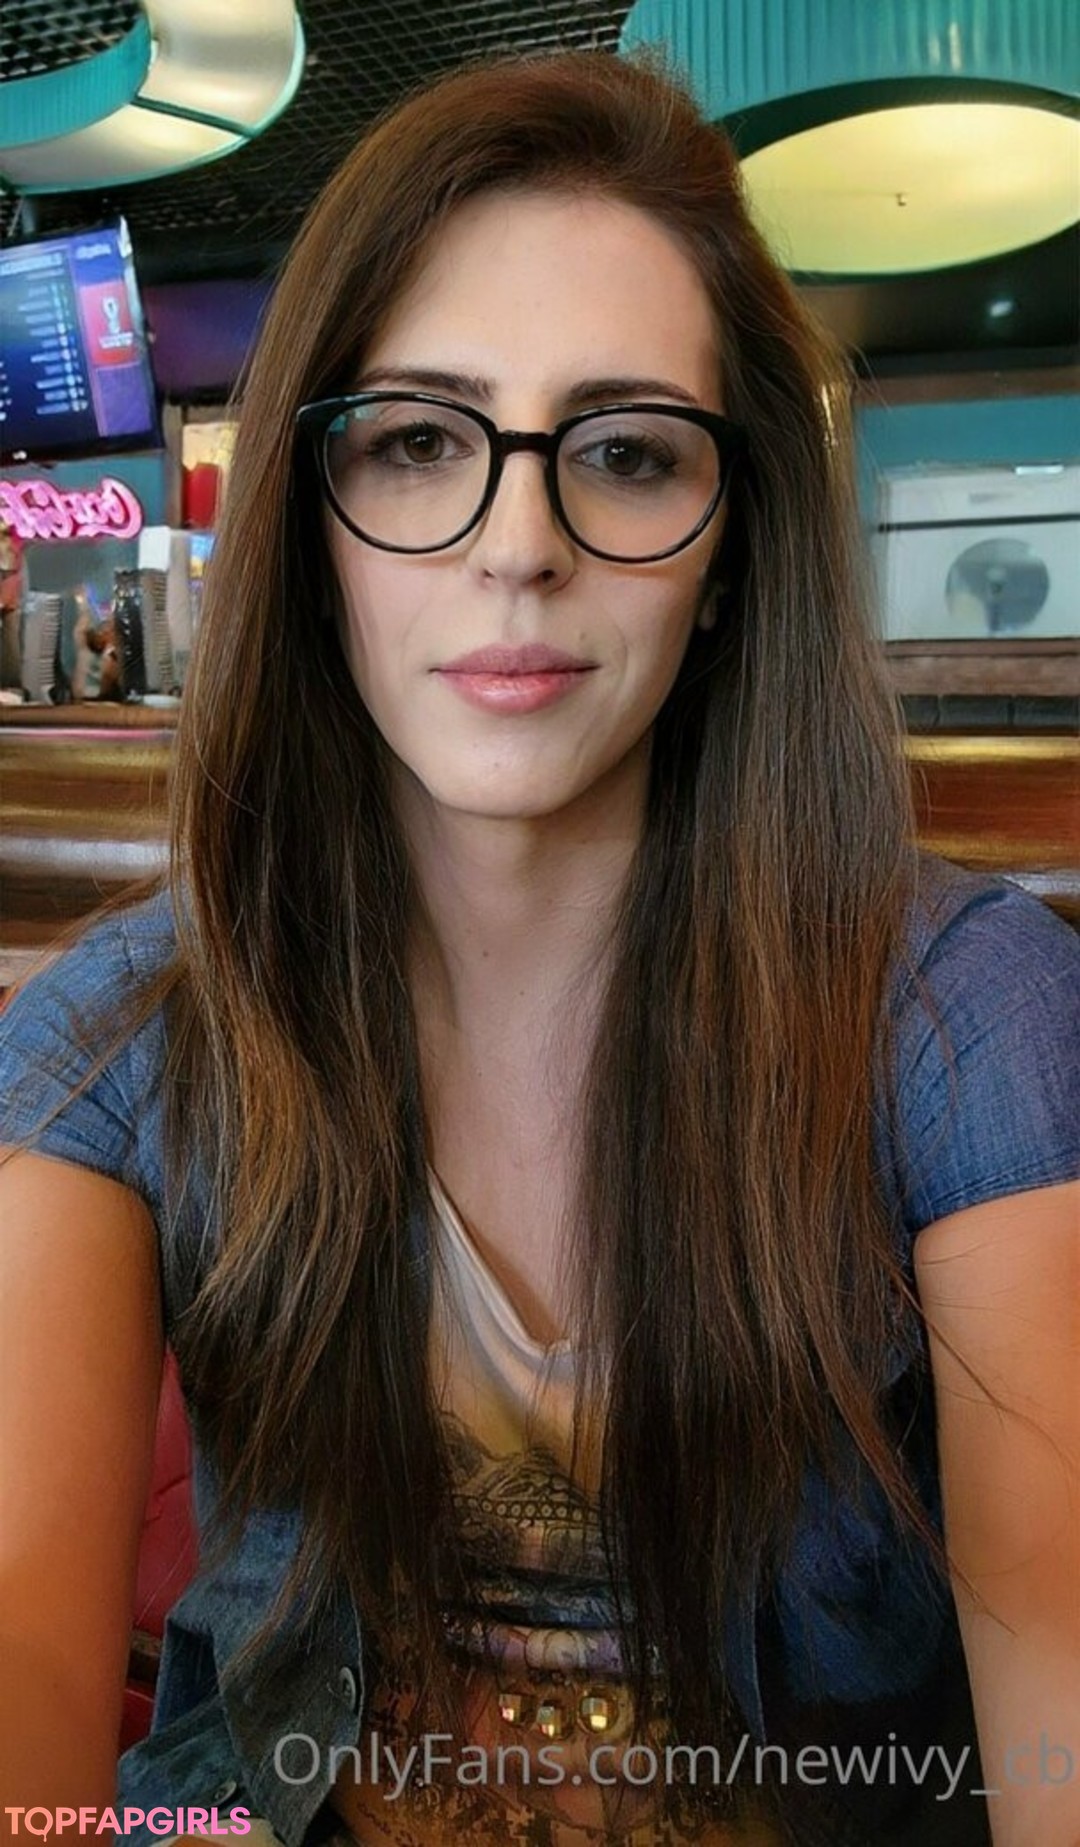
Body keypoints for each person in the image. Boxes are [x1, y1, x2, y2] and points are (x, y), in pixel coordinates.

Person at [0, 48, 1077, 1847]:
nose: (517, 546)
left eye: (628, 454)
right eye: (420, 442)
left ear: (729, 548)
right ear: (311, 523)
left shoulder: (962, 1018)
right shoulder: (125, 1033)